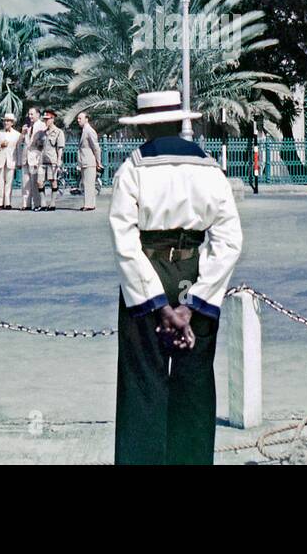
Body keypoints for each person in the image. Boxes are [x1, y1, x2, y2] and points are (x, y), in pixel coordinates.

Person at [109, 90, 243, 465]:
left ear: (145, 127)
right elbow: (229, 240)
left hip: (146, 271)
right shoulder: (210, 169)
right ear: (179, 122)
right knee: (195, 380)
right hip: (193, 270)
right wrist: (195, 303)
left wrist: (155, 302)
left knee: (142, 382)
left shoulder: (133, 169)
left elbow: (124, 238)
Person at [36, 109, 65, 211]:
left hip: (52, 160)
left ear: (52, 119)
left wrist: (59, 160)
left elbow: (60, 147)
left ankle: (52, 203)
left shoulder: (58, 132)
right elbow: (39, 146)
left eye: (48, 119)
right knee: (40, 181)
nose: (46, 121)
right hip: (42, 160)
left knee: (53, 181)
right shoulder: (42, 133)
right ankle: (43, 203)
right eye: (45, 119)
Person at [0, 113, 22, 209]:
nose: (6, 122)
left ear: (12, 123)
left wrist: (19, 162)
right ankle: (0, 203)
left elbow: (18, 149)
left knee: (9, 182)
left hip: (11, 160)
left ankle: (7, 202)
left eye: (8, 121)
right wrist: (0, 145)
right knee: (0, 182)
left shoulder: (17, 134)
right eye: (5, 120)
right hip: (0, 159)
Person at [17, 107, 42, 210]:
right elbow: (19, 142)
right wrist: (22, 133)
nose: (30, 116)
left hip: (35, 157)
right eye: (29, 114)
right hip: (26, 157)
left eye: (32, 114)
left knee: (35, 182)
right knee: (25, 182)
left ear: (38, 114)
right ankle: (26, 204)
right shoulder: (26, 127)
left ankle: (37, 204)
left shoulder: (42, 126)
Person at [77, 111, 102, 211]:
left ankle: (89, 204)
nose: (78, 120)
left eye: (80, 118)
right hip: (84, 160)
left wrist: (98, 161)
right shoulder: (84, 130)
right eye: (78, 119)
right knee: (86, 183)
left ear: (86, 119)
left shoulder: (89, 131)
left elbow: (96, 147)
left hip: (89, 160)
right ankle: (89, 203)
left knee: (89, 183)